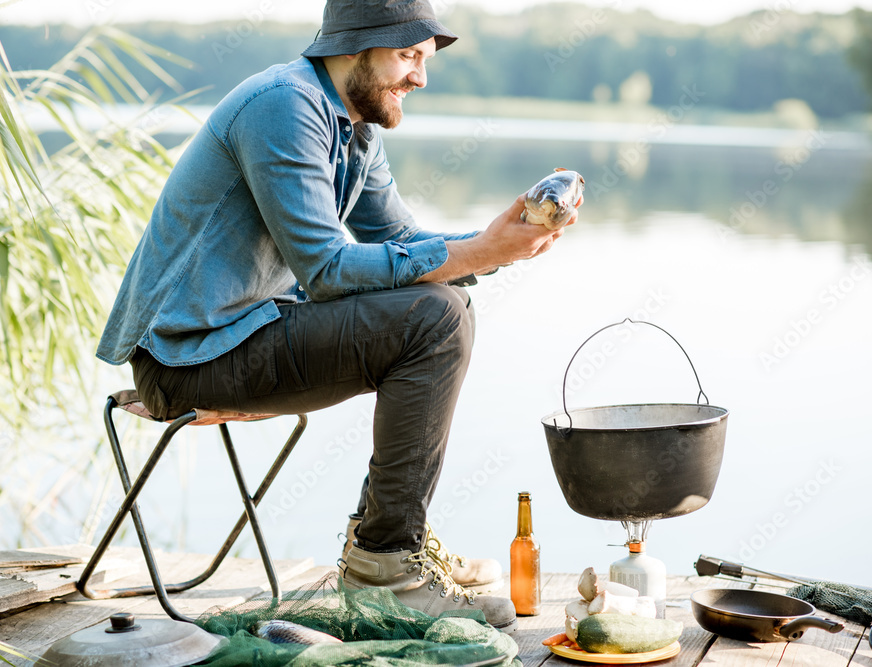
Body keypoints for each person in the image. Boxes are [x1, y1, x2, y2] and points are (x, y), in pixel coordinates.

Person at [96, 0, 579, 635]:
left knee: (446, 305)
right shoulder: (282, 105)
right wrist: (477, 251)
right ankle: (385, 564)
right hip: (188, 359)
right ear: (355, 47)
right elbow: (327, 269)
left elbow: (402, 240)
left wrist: (501, 243)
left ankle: (389, 542)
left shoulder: (354, 127)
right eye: (408, 56)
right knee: (436, 320)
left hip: (242, 335)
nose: (420, 78)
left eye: (424, 60)